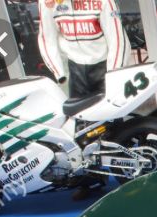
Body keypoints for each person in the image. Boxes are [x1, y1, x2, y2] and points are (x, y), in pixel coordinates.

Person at [38, 0, 130, 199]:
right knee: (81, 129)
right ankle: (91, 181)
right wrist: (58, 71)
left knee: (113, 124)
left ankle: (127, 173)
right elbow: (46, 37)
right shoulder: (48, 3)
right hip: (76, 69)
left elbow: (117, 38)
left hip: (104, 66)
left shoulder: (103, 2)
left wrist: (114, 73)